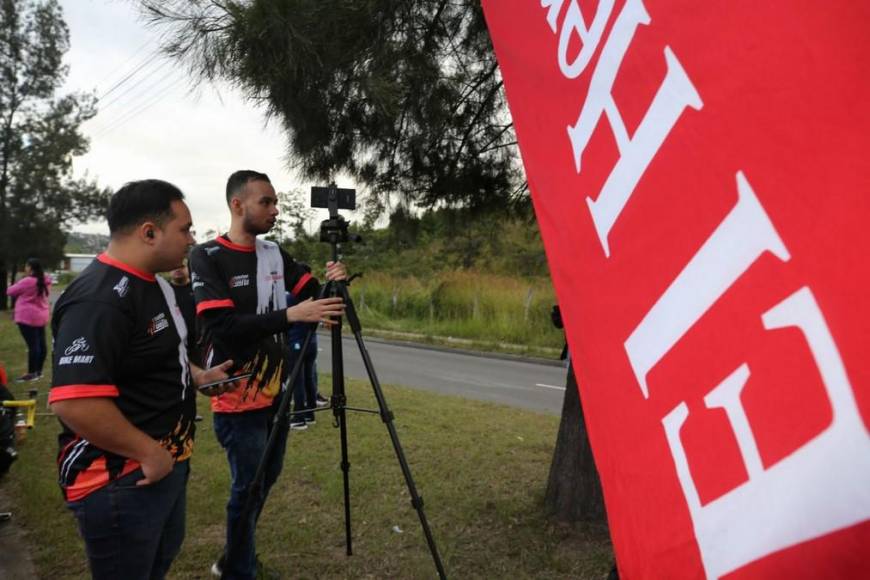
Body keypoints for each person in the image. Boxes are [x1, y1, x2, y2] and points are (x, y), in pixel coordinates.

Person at [48, 180, 234, 580]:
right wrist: (149, 453)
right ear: (149, 232)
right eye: (184, 229)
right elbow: (74, 401)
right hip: (121, 478)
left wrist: (199, 377)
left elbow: (161, 357)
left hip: (163, 467)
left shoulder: (157, 285)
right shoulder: (98, 298)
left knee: (156, 565)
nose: (191, 239)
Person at [189, 169, 346, 580]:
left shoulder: (275, 253)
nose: (275, 210)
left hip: (278, 392)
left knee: (266, 479)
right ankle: (239, 569)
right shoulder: (206, 257)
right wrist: (291, 313)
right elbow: (221, 327)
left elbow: (315, 292)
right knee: (248, 485)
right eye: (266, 202)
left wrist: (333, 285)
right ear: (237, 205)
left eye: (276, 202)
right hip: (235, 395)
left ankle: (233, 556)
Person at [6, 258, 52, 382]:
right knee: (41, 345)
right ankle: (39, 372)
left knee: (33, 346)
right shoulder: (45, 280)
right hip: (41, 315)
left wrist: (17, 282)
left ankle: (31, 374)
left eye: (26, 266)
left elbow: (10, 291)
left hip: (27, 317)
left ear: (30, 268)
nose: (25, 268)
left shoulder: (27, 281)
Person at [286, 289, 320, 430]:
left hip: (297, 342)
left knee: (297, 381)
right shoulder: (314, 297)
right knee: (309, 377)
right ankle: (310, 413)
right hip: (311, 341)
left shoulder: (291, 297)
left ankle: (299, 417)